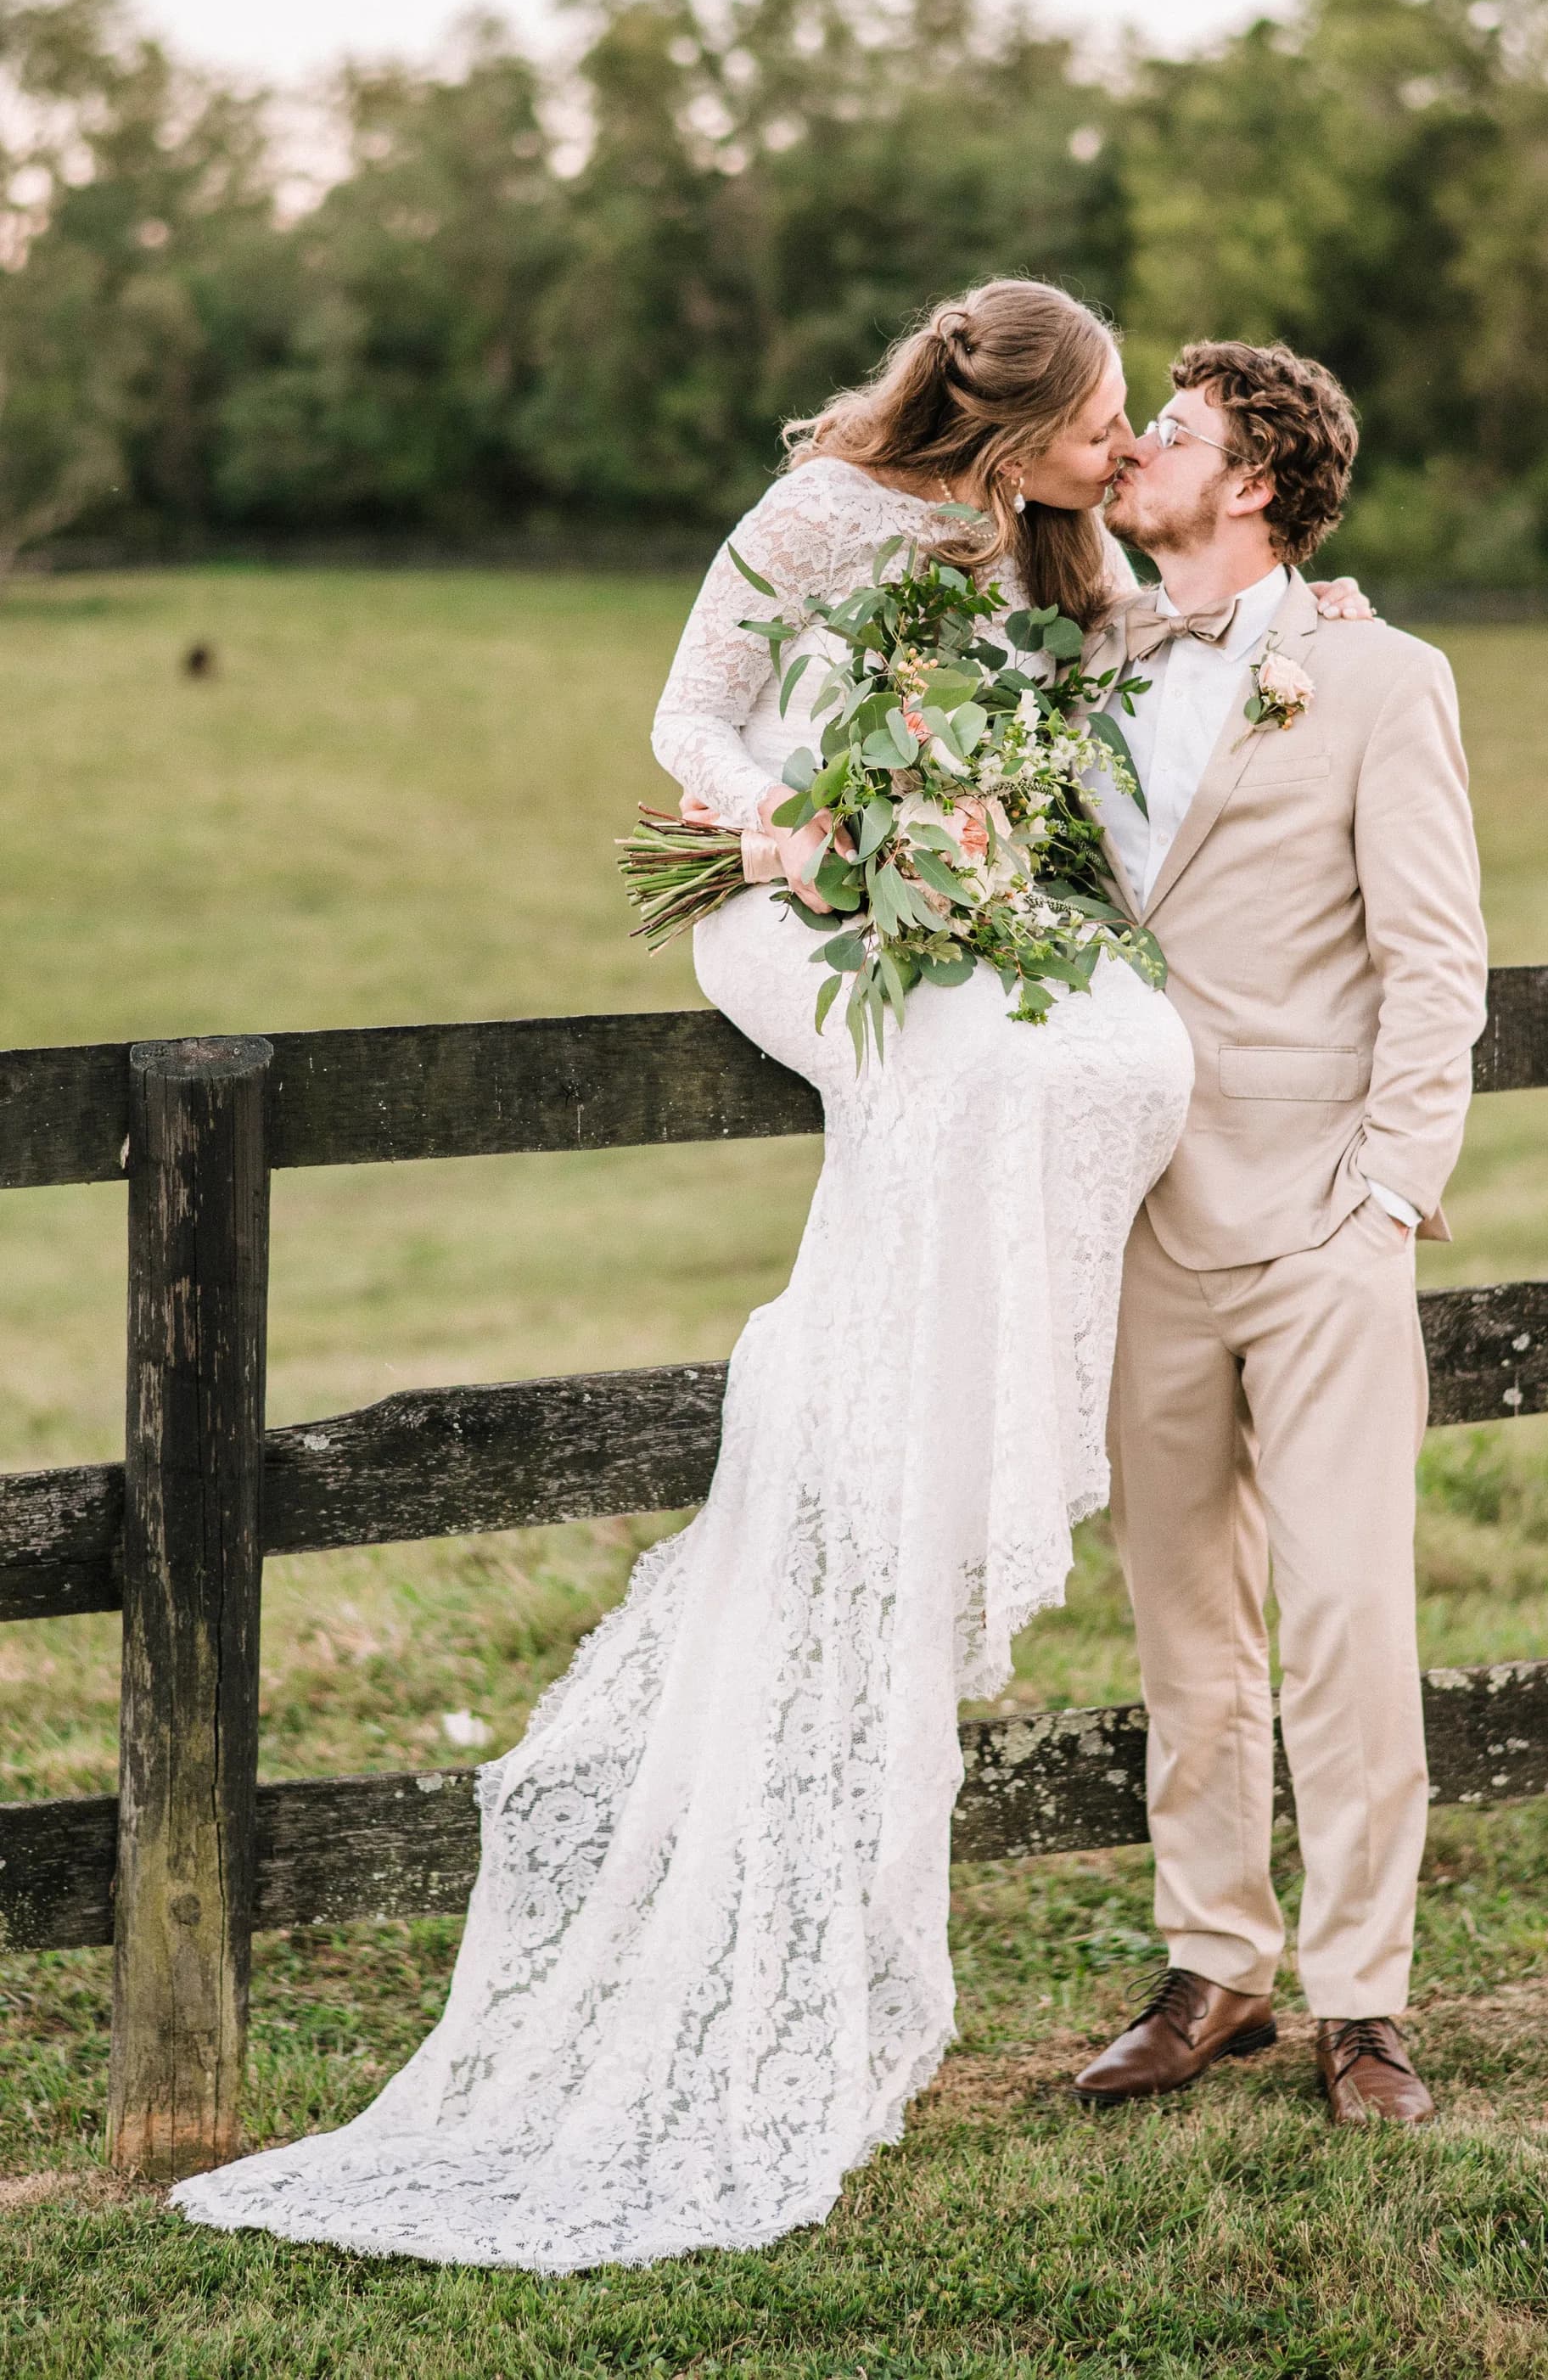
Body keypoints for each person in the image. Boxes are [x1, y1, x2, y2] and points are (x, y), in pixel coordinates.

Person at [171, 284, 1367, 2274]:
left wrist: (1292, 614)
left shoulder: (1042, 540)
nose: (1114, 449)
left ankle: (996, 1406)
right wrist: (787, 828)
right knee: (992, 1055)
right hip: (788, 899)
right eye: (1095, 421)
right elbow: (688, 716)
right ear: (1009, 420)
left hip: (945, 891)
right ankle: (904, 1416)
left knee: (1124, 1048)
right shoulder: (814, 515)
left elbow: (1130, 650)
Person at [1071, 340, 1489, 2129]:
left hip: (1322, 1210)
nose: (1132, 448)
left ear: (1250, 483)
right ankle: (1213, 1966)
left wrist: (1390, 1191)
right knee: (1184, 1622)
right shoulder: (1073, 665)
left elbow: (1433, 953)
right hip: (1134, 1212)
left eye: (1167, 430)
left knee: (1339, 1608)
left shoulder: (1380, 679)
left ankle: (1365, 1997)